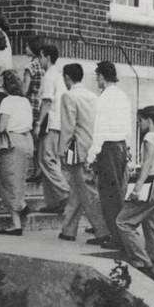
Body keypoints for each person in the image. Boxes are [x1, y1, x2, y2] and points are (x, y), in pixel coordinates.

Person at [115, 106, 154, 287]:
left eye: (140, 121)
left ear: (148, 120)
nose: (139, 124)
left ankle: (142, 262)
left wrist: (137, 188)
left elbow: (147, 163)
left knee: (123, 222)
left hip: (151, 185)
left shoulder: (149, 137)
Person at [56, 63, 111, 242]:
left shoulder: (69, 96)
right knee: (78, 189)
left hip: (78, 149)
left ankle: (103, 231)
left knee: (86, 191)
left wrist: (61, 150)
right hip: (94, 147)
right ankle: (68, 229)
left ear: (67, 78)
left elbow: (68, 126)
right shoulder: (93, 96)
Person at [88, 60, 132, 246]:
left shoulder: (105, 98)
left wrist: (92, 154)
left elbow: (100, 129)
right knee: (117, 191)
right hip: (121, 145)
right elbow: (128, 126)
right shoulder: (123, 96)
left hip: (108, 147)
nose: (96, 80)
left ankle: (117, 237)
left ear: (102, 77)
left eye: (97, 76)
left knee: (109, 194)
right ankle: (118, 234)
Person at [0, 70, 33, 236]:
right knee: (17, 182)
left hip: (11, 142)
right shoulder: (25, 101)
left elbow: (2, 126)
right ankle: (19, 215)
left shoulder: (7, 102)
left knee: (7, 182)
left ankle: (18, 218)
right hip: (25, 141)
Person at [35, 44, 70, 213]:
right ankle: (54, 202)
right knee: (49, 160)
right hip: (58, 123)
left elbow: (47, 101)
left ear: (47, 58)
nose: (39, 60)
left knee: (46, 159)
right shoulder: (58, 75)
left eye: (40, 57)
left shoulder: (49, 76)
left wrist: (38, 123)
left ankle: (64, 191)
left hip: (51, 123)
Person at [23, 36, 44, 183]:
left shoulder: (31, 67)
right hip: (42, 105)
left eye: (27, 46)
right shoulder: (43, 65)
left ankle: (36, 170)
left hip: (31, 105)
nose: (25, 49)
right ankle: (40, 169)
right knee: (40, 139)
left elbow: (25, 89)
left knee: (32, 139)